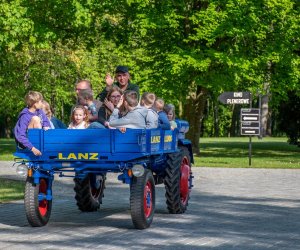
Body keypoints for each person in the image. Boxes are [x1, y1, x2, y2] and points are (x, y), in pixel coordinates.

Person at [14, 91, 51, 156]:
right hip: (25, 144)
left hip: (37, 139)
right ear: (35, 104)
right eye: (40, 101)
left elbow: (46, 122)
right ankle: (39, 146)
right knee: (35, 119)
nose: (42, 103)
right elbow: (20, 136)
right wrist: (33, 149)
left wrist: (46, 126)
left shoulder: (40, 112)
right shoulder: (25, 116)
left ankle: (43, 146)